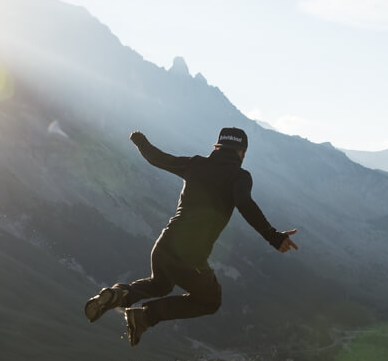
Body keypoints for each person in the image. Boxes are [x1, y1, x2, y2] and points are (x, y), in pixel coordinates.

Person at [85, 127, 298, 346]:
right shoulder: (240, 177)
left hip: (164, 244)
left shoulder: (195, 164)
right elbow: (245, 204)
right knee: (210, 300)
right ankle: (144, 317)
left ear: (217, 147)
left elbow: (158, 158)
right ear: (241, 152)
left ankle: (117, 294)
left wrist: (140, 141)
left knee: (160, 285)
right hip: (189, 257)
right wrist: (274, 237)